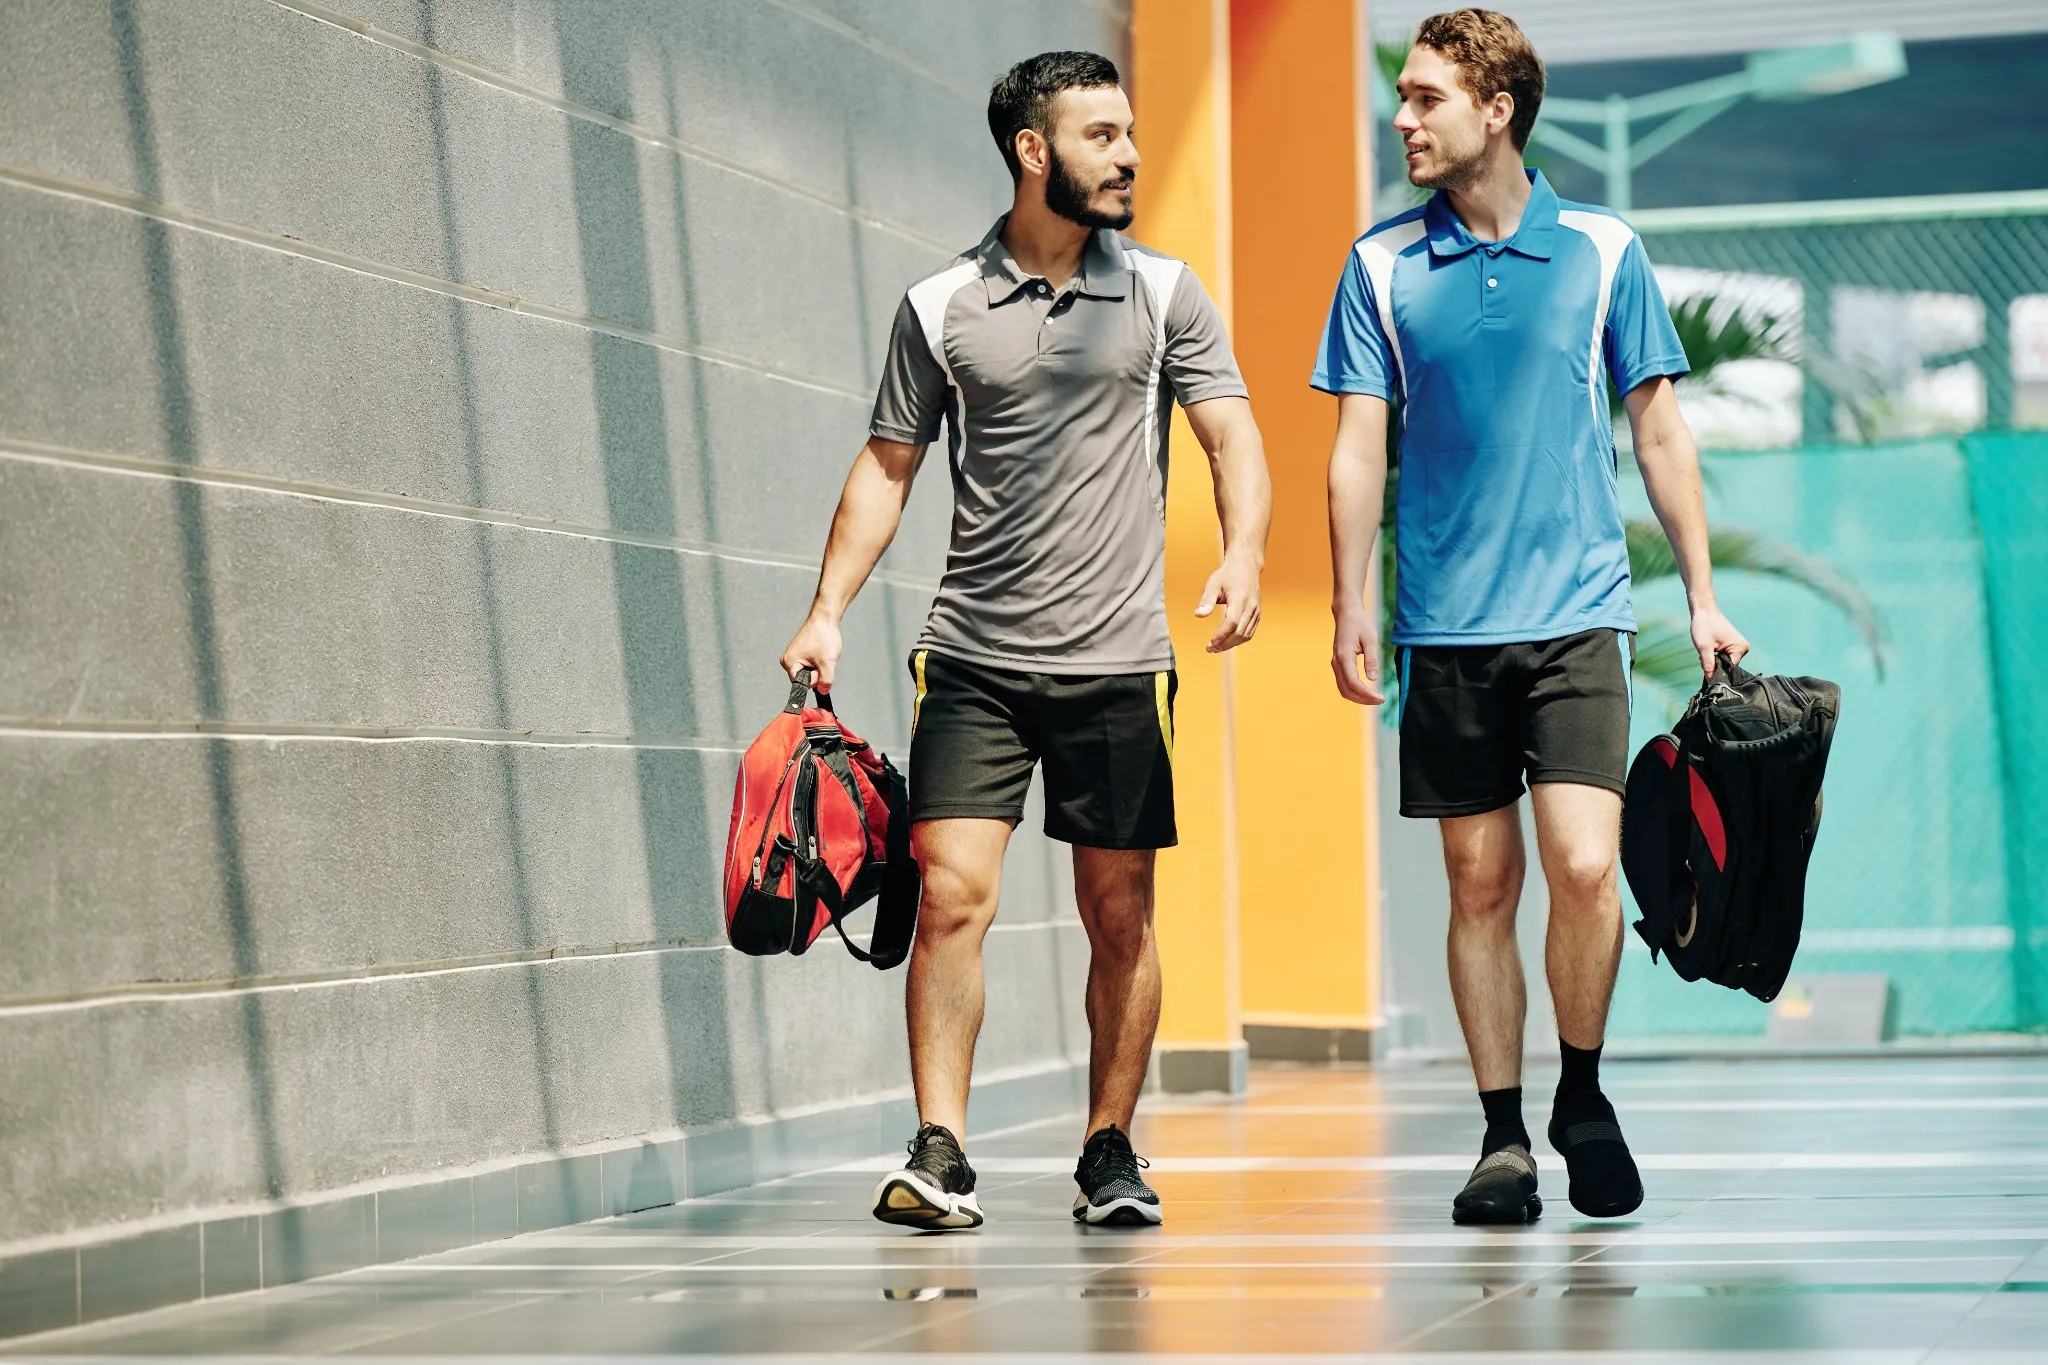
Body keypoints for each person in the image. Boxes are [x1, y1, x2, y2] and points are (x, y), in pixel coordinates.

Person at [780, 50, 1273, 1231]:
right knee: (949, 895)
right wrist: (826, 608)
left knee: (1118, 913)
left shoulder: (1163, 293)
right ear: (1031, 151)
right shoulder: (937, 306)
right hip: (973, 660)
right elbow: (886, 467)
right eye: (1101, 136)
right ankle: (939, 1148)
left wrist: (1246, 547)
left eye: (1130, 134)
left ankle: (1109, 1147)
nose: (1129, 156)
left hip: (1116, 663)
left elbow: (1230, 431)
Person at [1316, 9, 1747, 1224]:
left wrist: (1701, 600)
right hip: (1444, 626)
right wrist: (1350, 598)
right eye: (1402, 98)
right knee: (1476, 884)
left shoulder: (1604, 251)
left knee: (1581, 863)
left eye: (1424, 98)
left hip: (1576, 618)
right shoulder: (1381, 266)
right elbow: (1356, 450)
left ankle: (1584, 1093)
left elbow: (1656, 428)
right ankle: (1501, 1136)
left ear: (1494, 109)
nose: (1400, 119)